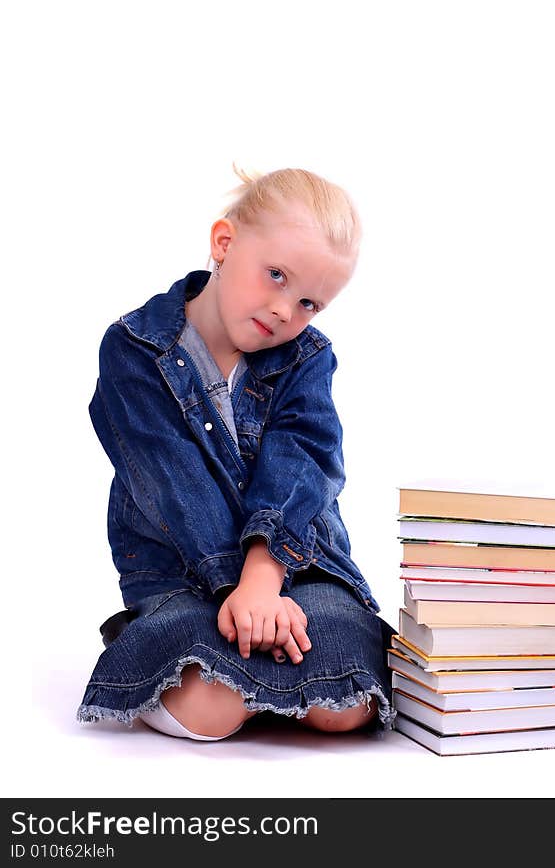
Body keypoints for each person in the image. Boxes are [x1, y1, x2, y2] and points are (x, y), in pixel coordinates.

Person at [77, 166, 396, 741]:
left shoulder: (306, 358)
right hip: (182, 573)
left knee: (348, 705)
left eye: (309, 303)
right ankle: (246, 674)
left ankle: (266, 666)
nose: (285, 311)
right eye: (275, 275)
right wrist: (238, 587)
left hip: (299, 565)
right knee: (212, 710)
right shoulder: (134, 349)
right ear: (224, 243)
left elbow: (303, 459)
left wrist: (265, 579)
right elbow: (173, 481)